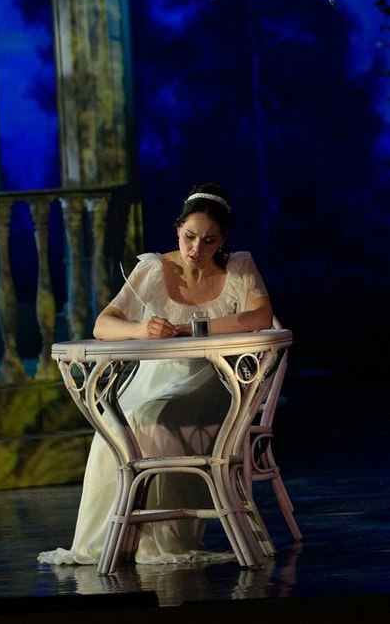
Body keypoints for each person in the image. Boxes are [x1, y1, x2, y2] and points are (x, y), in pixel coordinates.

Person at [37, 182, 274, 565]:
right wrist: (140, 328)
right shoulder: (153, 269)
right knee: (115, 425)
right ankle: (115, 541)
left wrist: (191, 329)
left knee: (154, 417)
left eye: (209, 241)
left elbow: (260, 317)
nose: (196, 249)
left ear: (222, 240)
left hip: (214, 382)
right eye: (189, 236)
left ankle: (160, 540)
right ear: (177, 229)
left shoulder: (238, 268)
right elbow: (103, 324)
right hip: (154, 380)